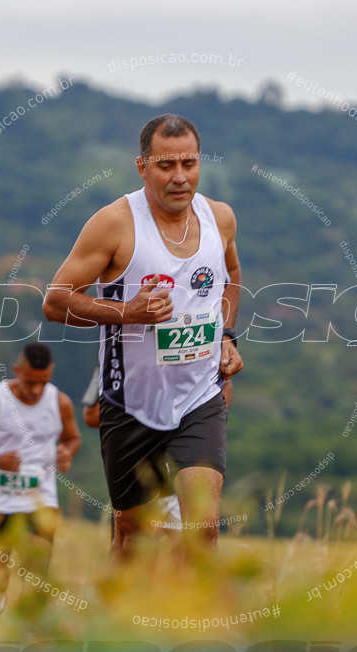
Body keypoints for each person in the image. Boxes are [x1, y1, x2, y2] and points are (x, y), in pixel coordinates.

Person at [42, 113, 243, 559]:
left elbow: (231, 275)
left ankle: (190, 626)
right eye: (166, 165)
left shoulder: (220, 218)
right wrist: (127, 313)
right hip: (130, 404)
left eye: (189, 164)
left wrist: (227, 335)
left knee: (202, 530)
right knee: (133, 538)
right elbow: (56, 301)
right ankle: (121, 628)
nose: (179, 177)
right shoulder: (114, 223)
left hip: (199, 397)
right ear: (142, 166)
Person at [0, 342, 80, 612]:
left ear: (51, 372)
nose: (35, 390)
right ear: (17, 370)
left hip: (40, 502)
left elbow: (73, 438)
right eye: (29, 381)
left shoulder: (59, 401)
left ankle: (31, 631)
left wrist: (66, 453)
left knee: (37, 572)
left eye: (42, 382)